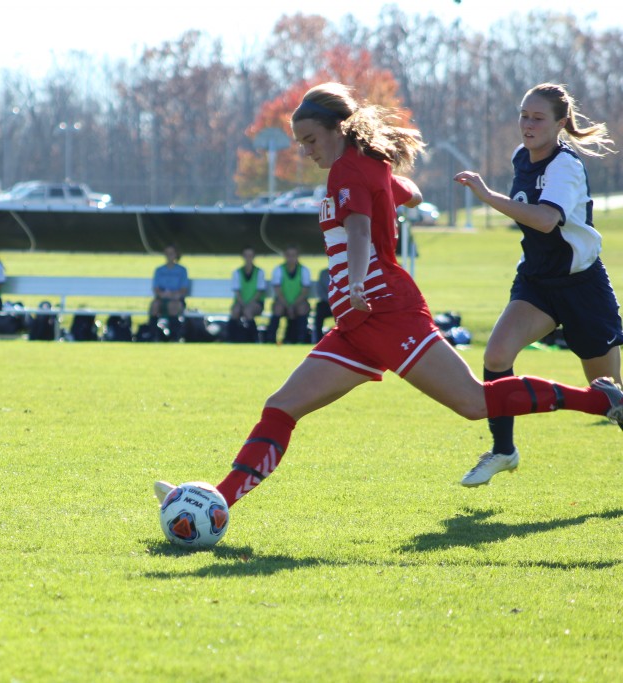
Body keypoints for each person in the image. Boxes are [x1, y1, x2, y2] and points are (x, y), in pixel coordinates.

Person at [154, 82, 623, 516]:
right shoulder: (362, 166)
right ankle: (216, 503)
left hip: (384, 311)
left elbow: (358, 228)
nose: (305, 150)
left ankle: (598, 401)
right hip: (355, 324)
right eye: (300, 143)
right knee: (281, 406)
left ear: (338, 131)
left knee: (474, 403)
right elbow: (411, 193)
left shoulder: (347, 170)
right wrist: (390, 196)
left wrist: (357, 278)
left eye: (311, 140)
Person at [453, 83, 621, 487]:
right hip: (537, 284)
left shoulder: (565, 165)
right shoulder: (520, 157)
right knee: (496, 356)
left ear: (560, 123)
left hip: (582, 287)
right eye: (523, 115)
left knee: (609, 397)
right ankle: (503, 450)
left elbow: (546, 219)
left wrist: (487, 196)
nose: (527, 124)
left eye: (537, 117)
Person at [266, 246, 312, 344]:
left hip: (298, 302)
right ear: (285, 256)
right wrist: (288, 305)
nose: (291, 258)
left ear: (297, 256)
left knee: (302, 308)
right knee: (278, 308)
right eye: (289, 255)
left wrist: (293, 305)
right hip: (283, 301)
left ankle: (301, 338)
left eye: (293, 255)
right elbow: (278, 291)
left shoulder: (304, 270)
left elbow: (304, 292)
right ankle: (270, 338)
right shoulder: (279, 269)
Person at [149, 244, 189, 341]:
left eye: (171, 253)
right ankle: (153, 335)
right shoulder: (159, 270)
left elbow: (184, 288)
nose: (169, 255)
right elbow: (156, 288)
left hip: (176, 298)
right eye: (167, 253)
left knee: (173, 306)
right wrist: (162, 294)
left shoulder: (182, 270)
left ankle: (174, 336)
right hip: (162, 297)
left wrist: (174, 295)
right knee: (154, 305)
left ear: (176, 254)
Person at [228, 245, 266, 343]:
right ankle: (231, 338)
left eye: (250, 255)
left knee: (248, 311)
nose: (248, 258)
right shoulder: (237, 272)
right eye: (246, 255)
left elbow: (259, 291)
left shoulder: (259, 272)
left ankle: (254, 338)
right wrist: (243, 304)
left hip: (256, 302)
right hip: (241, 302)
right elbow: (237, 291)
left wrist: (248, 304)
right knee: (235, 311)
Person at [312, 267, 333, 342]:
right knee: (319, 309)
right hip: (327, 303)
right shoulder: (323, 273)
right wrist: (330, 301)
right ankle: (318, 339)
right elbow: (320, 291)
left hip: (342, 303)